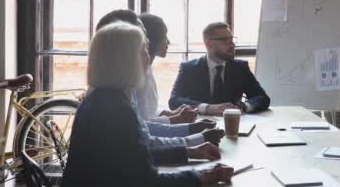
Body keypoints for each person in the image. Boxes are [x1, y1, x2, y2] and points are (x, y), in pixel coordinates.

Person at [62, 22, 233, 187]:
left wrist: (191, 151)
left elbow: (137, 153)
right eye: (144, 49)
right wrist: (203, 175)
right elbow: (147, 182)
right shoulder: (117, 111)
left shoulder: (100, 98)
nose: (148, 56)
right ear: (127, 60)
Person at [96, 10, 223, 148]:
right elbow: (146, 142)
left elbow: (140, 127)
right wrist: (194, 137)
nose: (148, 44)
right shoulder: (113, 98)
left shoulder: (119, 86)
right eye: (144, 42)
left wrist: (187, 127)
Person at [169, 22, 270, 115]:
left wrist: (243, 106)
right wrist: (207, 108)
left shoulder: (240, 68)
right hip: (200, 126)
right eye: (226, 40)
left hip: (234, 124)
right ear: (209, 44)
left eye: (232, 40)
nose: (232, 45)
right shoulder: (189, 69)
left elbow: (262, 98)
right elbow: (174, 100)